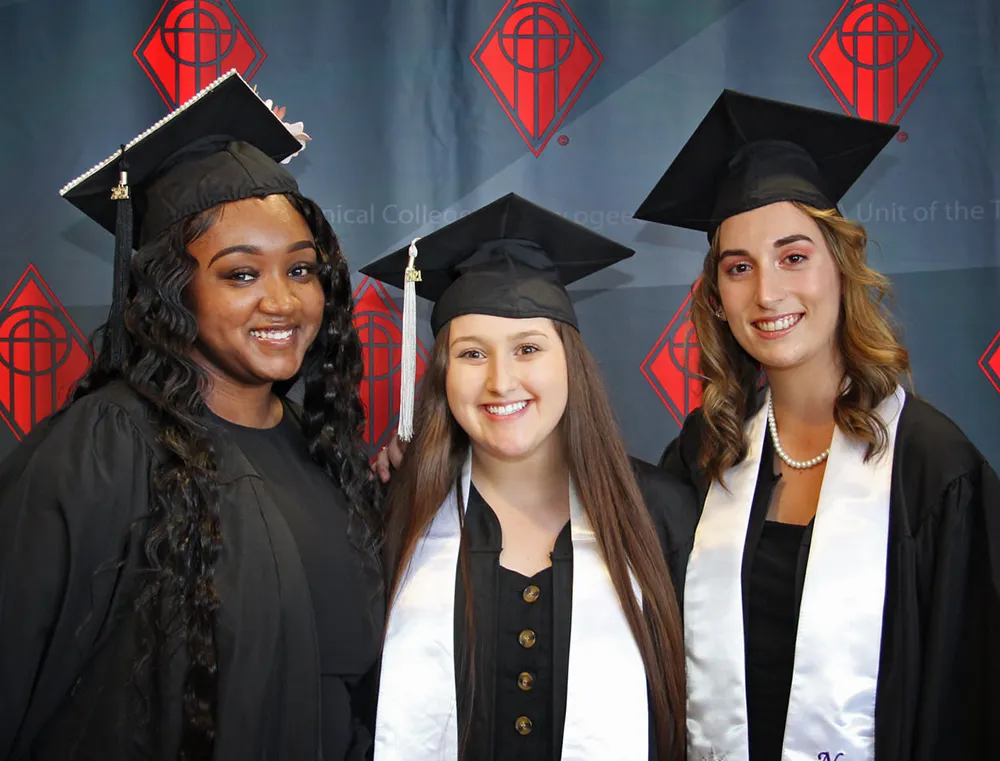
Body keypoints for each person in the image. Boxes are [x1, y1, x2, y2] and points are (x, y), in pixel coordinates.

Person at [0, 71, 383, 760]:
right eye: (241, 274)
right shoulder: (109, 444)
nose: (283, 302)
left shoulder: (323, 455)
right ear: (173, 290)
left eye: (301, 270)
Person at [632, 89, 1000, 761]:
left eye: (794, 255)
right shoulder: (705, 451)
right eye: (738, 268)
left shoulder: (933, 469)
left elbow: (968, 705)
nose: (767, 293)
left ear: (840, 265)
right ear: (717, 297)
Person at [359, 193, 697, 761]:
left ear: (571, 361)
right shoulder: (393, 520)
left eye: (528, 348)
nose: (500, 381)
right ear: (442, 375)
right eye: (471, 354)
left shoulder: (663, 516)